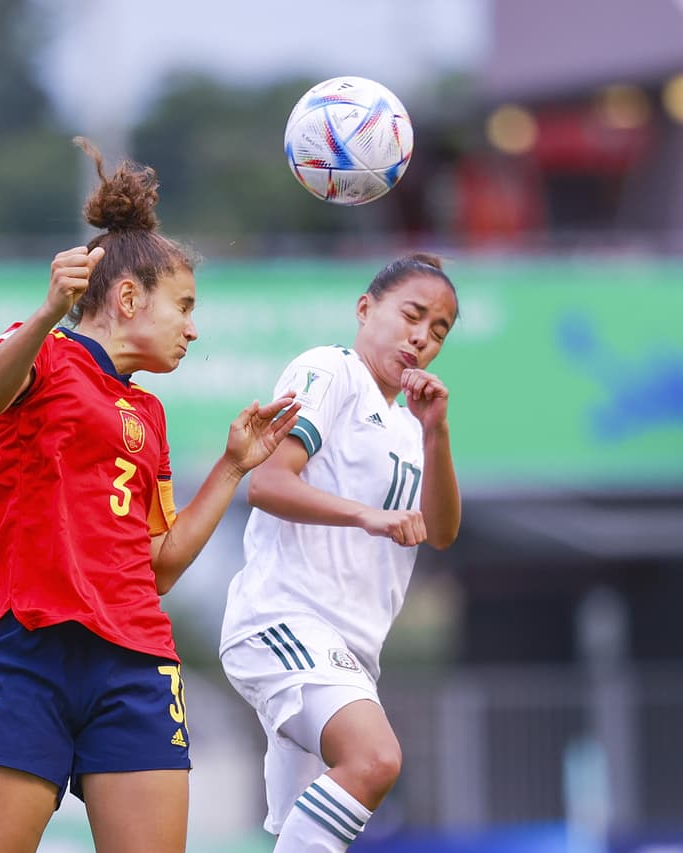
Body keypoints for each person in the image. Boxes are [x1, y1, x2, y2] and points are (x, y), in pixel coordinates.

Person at [0, 138, 301, 853]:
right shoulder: (37, 349)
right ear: (130, 297)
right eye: (185, 305)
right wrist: (49, 310)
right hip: (25, 653)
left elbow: (158, 564)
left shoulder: (151, 416)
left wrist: (233, 467)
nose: (192, 327)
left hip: (134, 662)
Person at [219, 253, 462, 852]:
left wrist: (437, 431)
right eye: (413, 314)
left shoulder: (411, 427)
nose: (422, 338)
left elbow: (442, 530)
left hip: (350, 651)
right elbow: (267, 484)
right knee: (376, 759)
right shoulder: (331, 370)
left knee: (317, 819)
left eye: (438, 331)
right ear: (364, 308)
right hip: (284, 618)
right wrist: (367, 517)